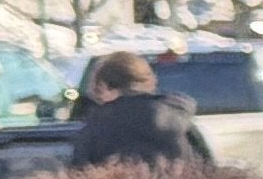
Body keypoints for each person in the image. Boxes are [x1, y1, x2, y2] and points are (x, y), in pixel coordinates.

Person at [68, 48, 201, 169]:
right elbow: (201, 169)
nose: (98, 99)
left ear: (105, 87)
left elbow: (80, 174)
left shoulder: (99, 127)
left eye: (98, 91)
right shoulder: (179, 120)